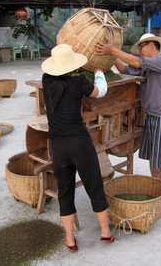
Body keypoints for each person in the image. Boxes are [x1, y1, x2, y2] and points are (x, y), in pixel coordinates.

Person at [41, 44, 114, 252]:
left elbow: (53, 74)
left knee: (65, 192)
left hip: (58, 146)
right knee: (94, 187)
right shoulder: (79, 83)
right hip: (80, 144)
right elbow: (100, 92)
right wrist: (99, 72)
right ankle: (105, 234)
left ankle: (70, 240)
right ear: (72, 66)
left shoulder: (46, 82)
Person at [94, 34, 161, 187]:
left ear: (152, 44)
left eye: (141, 47)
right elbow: (125, 69)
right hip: (151, 117)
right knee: (154, 158)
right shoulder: (148, 67)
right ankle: (155, 186)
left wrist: (112, 50)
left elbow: (136, 62)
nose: (139, 51)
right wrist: (110, 57)